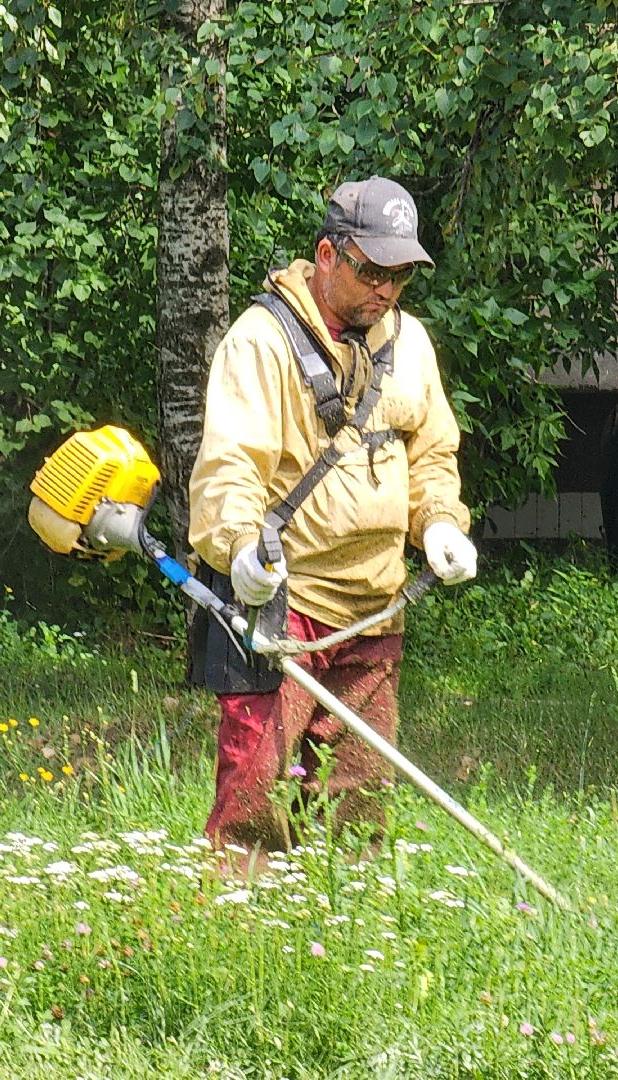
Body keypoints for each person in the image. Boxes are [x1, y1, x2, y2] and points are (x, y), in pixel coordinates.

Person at [188, 175, 477, 871]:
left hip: (376, 606)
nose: (387, 290)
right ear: (327, 254)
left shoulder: (409, 344)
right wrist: (240, 553)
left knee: (360, 801)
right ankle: (235, 921)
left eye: (401, 274)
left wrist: (439, 522)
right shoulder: (261, 342)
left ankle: (347, 930)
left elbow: (432, 452)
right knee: (254, 794)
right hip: (285, 604)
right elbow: (230, 468)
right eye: (373, 270)